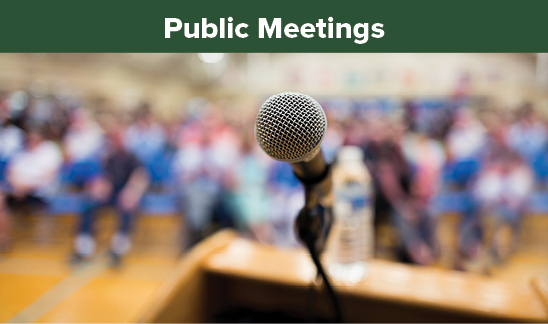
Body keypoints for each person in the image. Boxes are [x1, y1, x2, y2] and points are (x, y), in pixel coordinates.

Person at [72, 122, 149, 266]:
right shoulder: (110, 158)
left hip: (127, 194)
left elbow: (141, 177)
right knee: (88, 204)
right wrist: (99, 188)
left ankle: (118, 250)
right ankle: (84, 248)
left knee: (127, 208)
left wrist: (131, 193)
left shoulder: (133, 158)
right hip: (111, 194)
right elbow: (105, 178)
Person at [0, 125, 63, 252]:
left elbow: (49, 176)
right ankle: (4, 241)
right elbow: (10, 173)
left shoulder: (50, 150)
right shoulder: (21, 153)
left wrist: (26, 187)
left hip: (41, 193)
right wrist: (18, 186)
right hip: (18, 191)